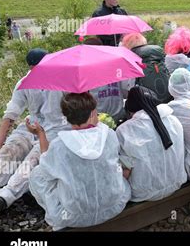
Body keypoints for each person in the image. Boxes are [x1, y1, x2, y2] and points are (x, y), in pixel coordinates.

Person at [28, 92, 130, 230]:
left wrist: (41, 134)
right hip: (113, 206)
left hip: (75, 216)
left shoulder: (59, 145)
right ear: (93, 113)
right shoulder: (109, 135)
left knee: (36, 174)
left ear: (65, 117)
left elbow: (46, 170)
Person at [0, 49, 47, 214]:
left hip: (53, 130)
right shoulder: (25, 82)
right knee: (10, 150)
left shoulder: (63, 81)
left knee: (32, 160)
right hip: (30, 127)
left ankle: (5, 196)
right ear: (30, 68)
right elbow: (10, 115)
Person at [116, 86, 187, 202]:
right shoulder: (174, 120)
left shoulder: (124, 131)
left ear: (130, 108)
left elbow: (125, 172)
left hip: (143, 193)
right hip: (176, 182)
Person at [121, 33, 171, 104]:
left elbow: (126, 91)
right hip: (166, 102)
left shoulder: (131, 65)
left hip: (145, 105)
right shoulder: (158, 58)